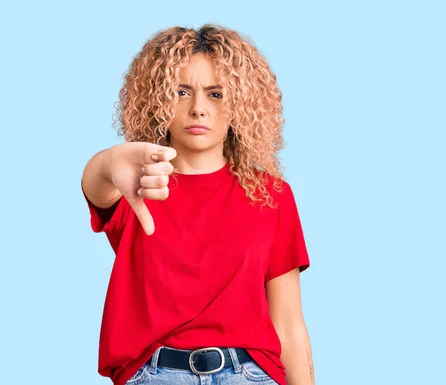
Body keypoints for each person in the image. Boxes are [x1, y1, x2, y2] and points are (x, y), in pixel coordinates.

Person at [81, 24, 314, 385]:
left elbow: (289, 326)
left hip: (251, 375)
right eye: (181, 91)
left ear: (240, 106)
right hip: (154, 375)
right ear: (158, 101)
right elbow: (97, 185)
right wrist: (110, 163)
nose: (198, 109)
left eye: (216, 94)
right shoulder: (137, 184)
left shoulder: (272, 195)